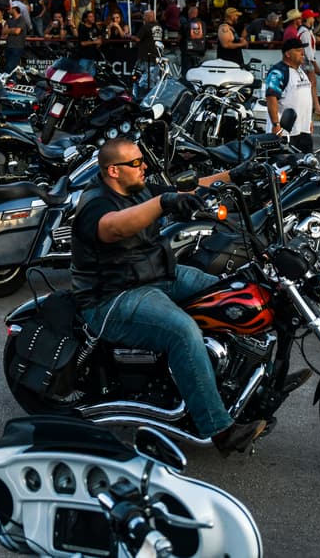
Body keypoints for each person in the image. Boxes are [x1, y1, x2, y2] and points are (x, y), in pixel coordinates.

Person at [71, 138, 301, 456]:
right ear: (113, 170)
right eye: (136, 163)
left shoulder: (134, 186)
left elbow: (190, 188)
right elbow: (116, 227)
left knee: (234, 292)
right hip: (112, 297)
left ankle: (243, 379)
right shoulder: (95, 202)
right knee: (182, 331)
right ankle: (220, 429)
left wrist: (237, 175)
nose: (144, 167)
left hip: (159, 276)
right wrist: (163, 203)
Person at [263, 37, 315, 152]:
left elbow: (304, 98)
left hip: (303, 130)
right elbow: (271, 98)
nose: (302, 53)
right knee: (284, 167)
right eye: (298, 50)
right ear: (287, 54)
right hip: (286, 133)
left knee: (306, 166)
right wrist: (276, 124)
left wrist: (309, 120)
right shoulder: (278, 71)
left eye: (302, 50)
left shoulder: (300, 70)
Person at [133, 9, 164, 98]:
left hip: (146, 57)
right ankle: (154, 96)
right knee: (154, 79)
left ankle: (144, 97)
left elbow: (137, 39)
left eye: (144, 16)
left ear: (147, 17)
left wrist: (129, 36)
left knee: (145, 79)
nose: (143, 18)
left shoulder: (146, 26)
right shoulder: (159, 26)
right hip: (157, 56)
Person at [75, 9, 104, 74]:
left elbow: (99, 35)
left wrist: (99, 40)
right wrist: (95, 42)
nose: (93, 18)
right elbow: (82, 43)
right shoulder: (82, 27)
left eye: (93, 16)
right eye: (90, 16)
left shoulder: (94, 26)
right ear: (85, 19)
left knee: (91, 76)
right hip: (84, 57)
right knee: (81, 76)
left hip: (92, 56)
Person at [2, 4, 27, 72]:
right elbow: (4, 31)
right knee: (11, 68)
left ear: (14, 9)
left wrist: (9, 30)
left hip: (17, 47)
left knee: (10, 66)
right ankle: (12, 81)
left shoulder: (22, 19)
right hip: (8, 46)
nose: (8, 10)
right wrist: (12, 30)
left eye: (9, 9)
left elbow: (17, 31)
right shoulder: (9, 20)